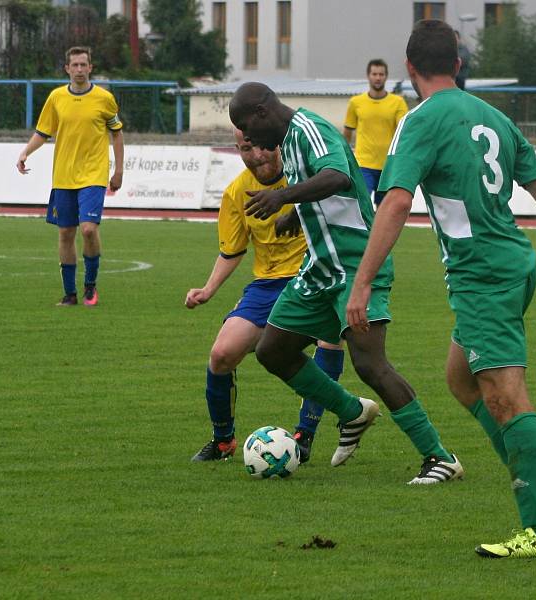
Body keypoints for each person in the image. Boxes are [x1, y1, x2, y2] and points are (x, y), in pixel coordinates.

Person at [347, 19, 536, 558]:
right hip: (516, 262)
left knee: (505, 397)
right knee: (461, 379)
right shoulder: (495, 118)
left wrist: (361, 283)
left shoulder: (419, 121)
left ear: (409, 70)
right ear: (458, 65)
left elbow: (394, 202)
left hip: (482, 274)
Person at [229, 82, 463, 481]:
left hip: (356, 265)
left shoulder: (309, 130)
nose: (249, 140)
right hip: (321, 267)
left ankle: (440, 457)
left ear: (265, 111)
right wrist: (296, 214)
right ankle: (353, 411)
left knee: (371, 364)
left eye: (247, 128)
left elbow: (337, 176)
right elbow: (330, 194)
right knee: (271, 351)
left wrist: (284, 198)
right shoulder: (289, 141)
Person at [186, 129, 344, 464]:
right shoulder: (236, 192)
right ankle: (223, 440)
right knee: (221, 355)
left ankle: (304, 435)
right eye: (246, 148)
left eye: (263, 146)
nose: (257, 155)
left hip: (313, 274)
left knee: (329, 341)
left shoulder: (306, 177)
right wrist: (208, 289)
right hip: (268, 285)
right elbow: (232, 250)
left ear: (278, 144)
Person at [16, 46, 124, 307]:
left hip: (93, 175)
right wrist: (25, 152)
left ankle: (90, 286)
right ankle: (70, 294)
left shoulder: (104, 98)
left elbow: (117, 133)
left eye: (83, 65)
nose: (78, 70)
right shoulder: (56, 98)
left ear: (90, 68)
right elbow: (43, 132)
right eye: (74, 65)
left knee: (88, 229)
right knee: (65, 233)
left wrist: (118, 170)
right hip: (64, 176)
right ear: (66, 69)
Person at [343, 59, 408, 208]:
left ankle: (380, 232)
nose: (378, 77)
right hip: (363, 164)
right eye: (374, 74)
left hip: (388, 165)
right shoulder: (356, 102)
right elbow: (347, 132)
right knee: (361, 204)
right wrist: (344, 158)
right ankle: (365, 232)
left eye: (381, 74)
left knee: (384, 209)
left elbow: (404, 132)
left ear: (386, 77)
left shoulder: (397, 102)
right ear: (368, 76)